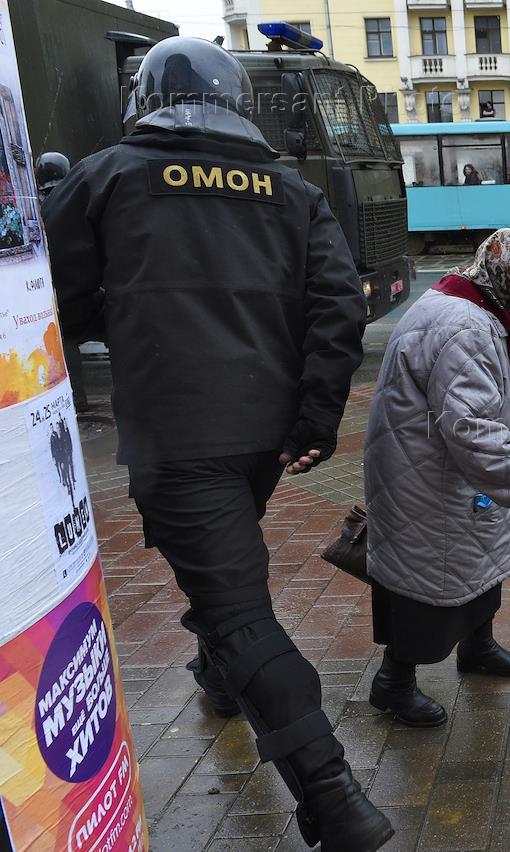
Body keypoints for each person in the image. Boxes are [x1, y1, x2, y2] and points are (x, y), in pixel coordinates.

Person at [42, 37, 392, 851]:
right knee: (224, 572)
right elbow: (338, 310)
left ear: (146, 100)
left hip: (177, 439)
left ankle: (335, 798)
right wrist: (314, 420)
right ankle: (219, 677)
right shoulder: (291, 190)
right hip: (263, 441)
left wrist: (120, 316)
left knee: (239, 612)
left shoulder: (108, 176)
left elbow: (48, 289)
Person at [365, 229, 510, 727]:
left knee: (475, 562)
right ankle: (393, 683)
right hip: (429, 479)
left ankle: (478, 647)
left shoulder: (473, 305)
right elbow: (474, 432)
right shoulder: (466, 329)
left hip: (437, 470)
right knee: (427, 581)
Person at [36, 151, 90, 415]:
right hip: (81, 275)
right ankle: (79, 398)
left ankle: (74, 397)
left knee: (63, 339)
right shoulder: (77, 197)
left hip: (49, 281)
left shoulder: (36, 203)